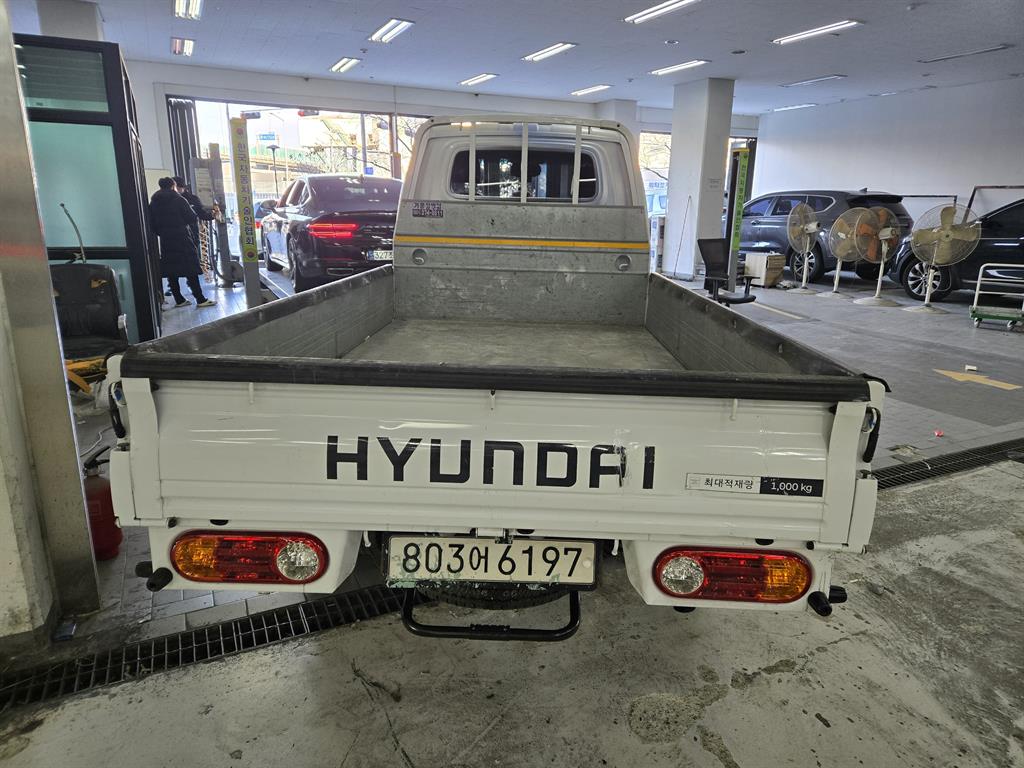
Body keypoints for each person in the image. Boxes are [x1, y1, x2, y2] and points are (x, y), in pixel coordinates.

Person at [149, 177, 215, 308]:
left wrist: (162, 232)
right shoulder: (178, 199)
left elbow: (151, 223)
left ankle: (179, 300)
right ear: (172, 186)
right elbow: (191, 217)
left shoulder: (154, 202)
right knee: (191, 268)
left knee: (171, 270)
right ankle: (200, 299)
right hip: (182, 238)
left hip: (166, 240)